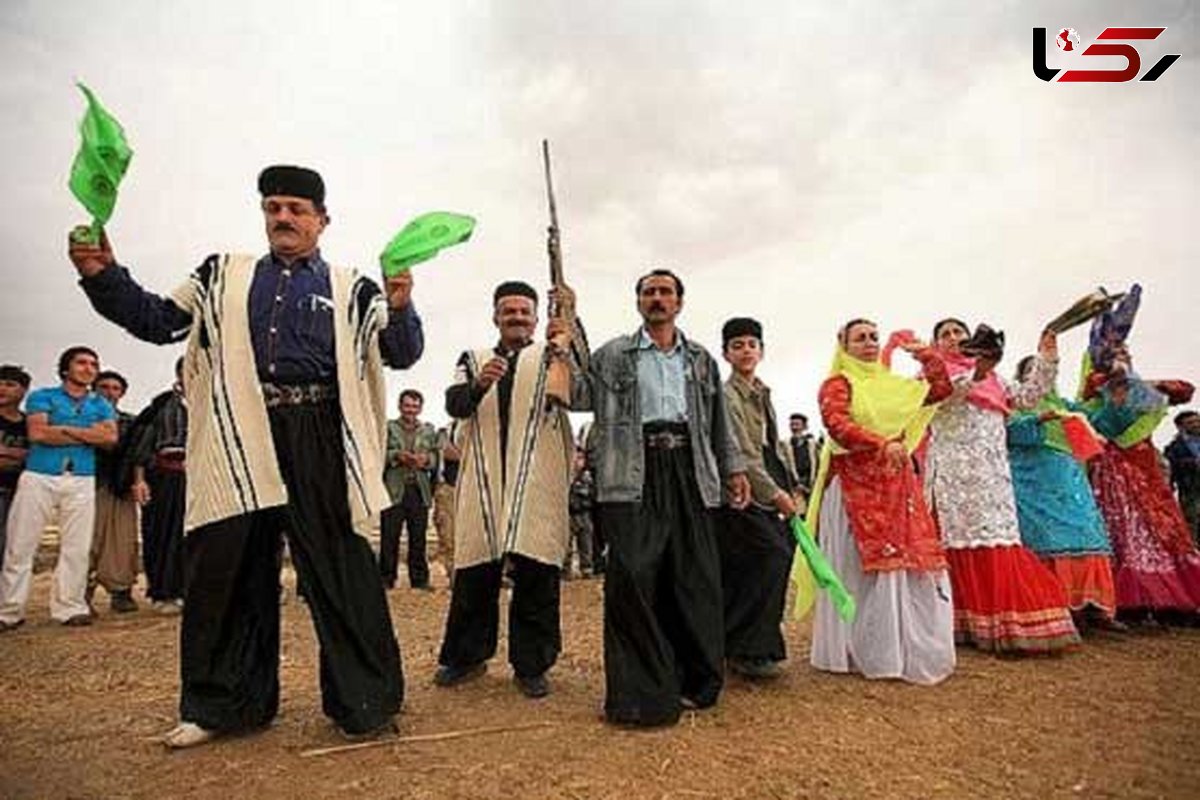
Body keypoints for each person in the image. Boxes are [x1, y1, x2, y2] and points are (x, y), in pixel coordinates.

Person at [69, 165, 422, 747]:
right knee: (226, 565)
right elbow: (159, 321)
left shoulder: (352, 285)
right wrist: (103, 275)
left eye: (296, 209)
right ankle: (220, 706)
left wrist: (404, 306)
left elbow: (401, 353)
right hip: (238, 426)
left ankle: (366, 702)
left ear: (322, 220)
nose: (283, 217)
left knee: (341, 566)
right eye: (273, 207)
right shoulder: (220, 274)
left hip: (320, 433)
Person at [576, 269, 750, 726]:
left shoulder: (700, 360)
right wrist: (566, 331)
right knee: (632, 576)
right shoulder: (613, 354)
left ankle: (697, 682)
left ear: (679, 303)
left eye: (665, 292)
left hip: (691, 471)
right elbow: (575, 394)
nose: (657, 298)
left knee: (693, 577)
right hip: (631, 473)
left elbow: (718, 422)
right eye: (649, 292)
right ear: (637, 302)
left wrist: (733, 469)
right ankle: (639, 694)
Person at [434, 280, 582, 699]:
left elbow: (579, 392)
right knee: (475, 570)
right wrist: (480, 384)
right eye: (508, 311)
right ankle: (466, 657)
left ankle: (532, 664)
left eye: (523, 311)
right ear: (495, 316)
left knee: (537, 569)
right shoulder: (474, 358)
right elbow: (454, 405)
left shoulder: (553, 353)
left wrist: (568, 326)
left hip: (537, 475)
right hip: (483, 477)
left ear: (536, 317)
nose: (516, 317)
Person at [809, 320, 956, 684]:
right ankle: (860, 649)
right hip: (853, 487)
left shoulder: (894, 387)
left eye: (874, 337)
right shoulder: (838, 384)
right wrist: (881, 443)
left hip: (895, 484)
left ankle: (900, 647)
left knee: (903, 563)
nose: (870, 343)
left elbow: (940, 389)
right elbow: (837, 424)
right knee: (860, 568)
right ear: (843, 345)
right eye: (860, 338)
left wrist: (926, 354)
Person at [925, 318, 1079, 653]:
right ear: (935, 345)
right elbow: (948, 393)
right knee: (954, 539)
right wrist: (978, 372)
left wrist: (1046, 358)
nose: (953, 338)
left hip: (992, 474)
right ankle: (956, 622)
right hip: (952, 477)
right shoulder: (931, 374)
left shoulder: (995, 379)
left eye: (958, 333)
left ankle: (1001, 621)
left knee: (998, 536)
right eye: (945, 335)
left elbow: (1027, 397)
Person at [1079, 291, 1200, 620]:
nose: (1122, 354)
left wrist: (1144, 383)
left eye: (1125, 350)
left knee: (1164, 526)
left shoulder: (1142, 386)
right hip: (1114, 464)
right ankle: (1134, 599)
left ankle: (1179, 598)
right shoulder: (1096, 385)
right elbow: (1091, 413)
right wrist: (1109, 385)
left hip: (1144, 461)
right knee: (1125, 525)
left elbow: (1184, 389)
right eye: (1114, 349)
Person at [0, 347, 117, 631]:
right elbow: (38, 433)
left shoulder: (101, 404)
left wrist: (64, 429)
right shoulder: (42, 396)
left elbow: (110, 438)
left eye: (93, 364)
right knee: (20, 544)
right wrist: (87, 434)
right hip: (40, 474)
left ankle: (69, 607)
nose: (89, 368)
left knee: (77, 547)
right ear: (66, 368)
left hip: (82, 477)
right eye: (82, 363)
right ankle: (9, 611)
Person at [1006, 355, 1118, 630]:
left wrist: (1109, 387)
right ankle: (1055, 603)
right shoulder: (1014, 403)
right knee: (1045, 536)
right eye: (1032, 370)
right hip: (1033, 478)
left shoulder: (1065, 405)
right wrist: (1039, 419)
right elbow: (1007, 433)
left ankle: (1093, 604)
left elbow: (1098, 418)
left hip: (1069, 476)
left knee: (1086, 533)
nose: (1042, 374)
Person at [715, 317, 797, 679]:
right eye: (737, 345)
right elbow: (742, 453)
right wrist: (775, 494)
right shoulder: (726, 395)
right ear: (726, 353)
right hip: (741, 487)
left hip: (768, 478)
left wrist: (789, 483)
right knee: (768, 556)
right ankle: (745, 648)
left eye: (751, 344)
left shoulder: (763, 393)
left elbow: (771, 446)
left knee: (767, 558)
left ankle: (751, 645)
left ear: (761, 350)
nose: (746, 350)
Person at [127, 357, 188, 613]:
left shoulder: (216, 401)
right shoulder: (162, 404)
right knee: (164, 534)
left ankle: (194, 591)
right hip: (166, 479)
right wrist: (139, 480)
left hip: (205, 479)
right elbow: (142, 446)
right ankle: (165, 592)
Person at [87, 370, 140, 614]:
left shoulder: (131, 421)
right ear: (93, 390)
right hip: (88, 483)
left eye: (115, 388)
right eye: (104, 387)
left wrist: (137, 481)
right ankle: (80, 594)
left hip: (121, 486)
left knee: (123, 541)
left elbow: (139, 455)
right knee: (87, 540)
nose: (109, 392)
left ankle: (121, 592)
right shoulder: (81, 417)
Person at [380, 389, 439, 590]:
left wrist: (426, 460)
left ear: (420, 408)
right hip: (393, 490)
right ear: (400, 406)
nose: (411, 410)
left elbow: (435, 459)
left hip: (418, 490)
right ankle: (386, 579)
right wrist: (397, 456)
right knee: (389, 537)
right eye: (407, 406)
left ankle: (419, 580)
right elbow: (380, 454)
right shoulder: (387, 428)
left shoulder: (429, 430)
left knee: (418, 538)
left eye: (415, 406)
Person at [0, 365, 31, 572]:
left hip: (17, 492)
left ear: (23, 391)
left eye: (10, 384)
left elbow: (37, 456)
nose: (2, 388)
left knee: (10, 547)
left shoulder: (29, 423)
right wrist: (20, 455)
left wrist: (6, 452)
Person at [431, 421, 462, 582]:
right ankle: (453, 575)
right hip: (448, 488)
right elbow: (449, 452)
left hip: (473, 489)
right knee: (448, 534)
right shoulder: (445, 430)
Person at [1165, 410, 1200, 545]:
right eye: (1191, 423)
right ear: (1180, 426)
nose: (1196, 425)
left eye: (1197, 421)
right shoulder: (1174, 447)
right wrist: (1193, 463)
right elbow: (1172, 467)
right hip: (1190, 489)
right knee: (1192, 521)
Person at [565, 447, 596, 579]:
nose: (578, 461)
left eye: (581, 458)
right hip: (569, 514)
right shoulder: (566, 475)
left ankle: (587, 568)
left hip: (584, 514)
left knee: (586, 543)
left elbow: (593, 494)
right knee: (567, 544)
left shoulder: (587, 477)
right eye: (576, 458)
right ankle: (565, 569)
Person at [785, 413, 819, 511]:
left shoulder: (812, 444)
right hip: (796, 486)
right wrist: (796, 483)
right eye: (792, 424)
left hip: (811, 483)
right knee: (799, 513)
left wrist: (813, 482)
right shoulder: (786, 445)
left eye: (797, 424)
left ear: (804, 427)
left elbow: (817, 464)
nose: (794, 427)